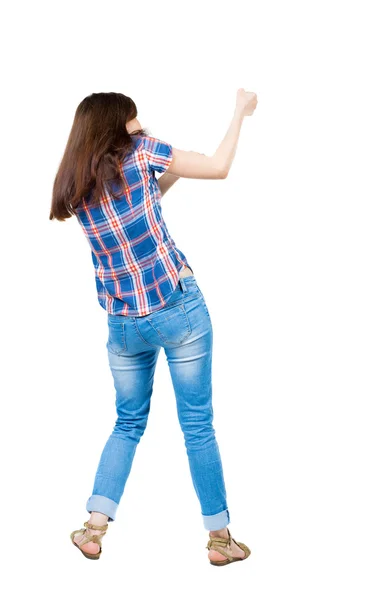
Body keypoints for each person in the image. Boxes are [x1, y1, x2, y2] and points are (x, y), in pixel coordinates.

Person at [50, 87, 258, 565]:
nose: (140, 121)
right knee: (198, 427)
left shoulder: (78, 183)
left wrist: (166, 166)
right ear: (118, 123)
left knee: (126, 423)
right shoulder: (142, 151)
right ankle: (221, 541)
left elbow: (142, 201)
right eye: (133, 116)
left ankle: (94, 528)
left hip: (124, 326)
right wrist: (238, 113)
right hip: (178, 311)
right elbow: (220, 166)